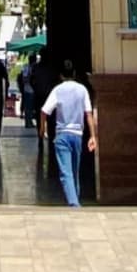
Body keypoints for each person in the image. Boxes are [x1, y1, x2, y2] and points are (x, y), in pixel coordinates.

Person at [40, 58, 96, 207]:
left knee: (66, 173)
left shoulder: (58, 90)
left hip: (62, 134)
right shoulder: (82, 89)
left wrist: (42, 128)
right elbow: (89, 114)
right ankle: (75, 201)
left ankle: (74, 204)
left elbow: (44, 111)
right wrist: (93, 136)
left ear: (60, 75)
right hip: (77, 135)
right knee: (75, 171)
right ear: (75, 73)